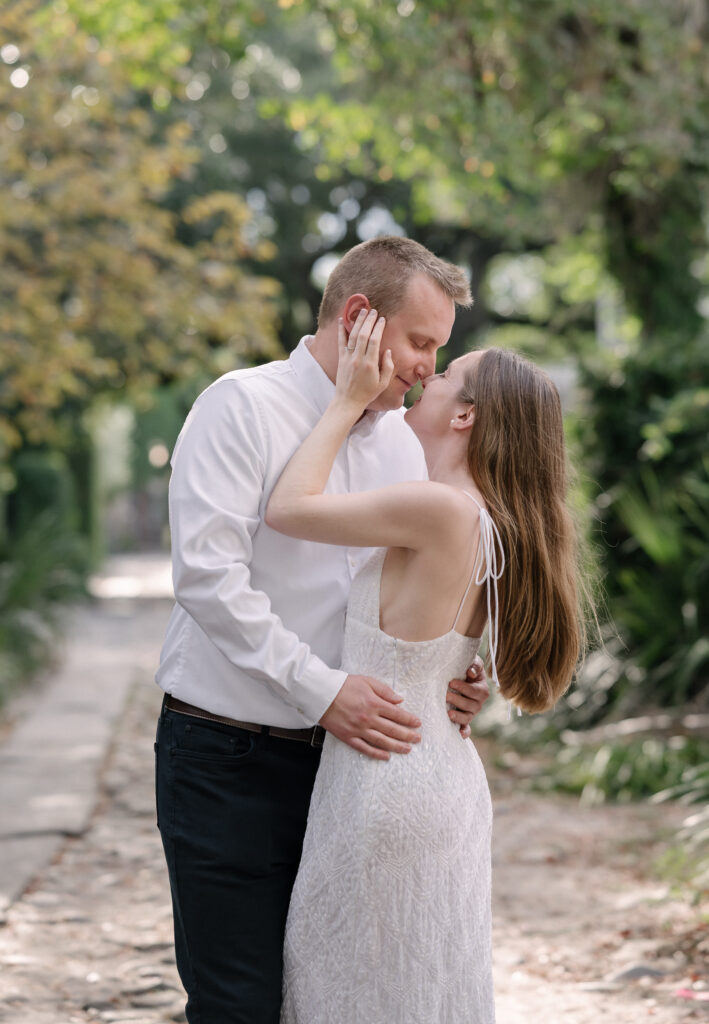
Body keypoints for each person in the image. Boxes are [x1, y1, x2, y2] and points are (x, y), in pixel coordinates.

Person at [154, 236, 492, 1024]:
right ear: (357, 320)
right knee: (238, 1003)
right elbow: (207, 578)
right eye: (419, 342)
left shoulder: (406, 450)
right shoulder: (241, 405)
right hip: (229, 757)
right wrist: (324, 690)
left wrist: (452, 671)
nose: (424, 365)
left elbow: (420, 589)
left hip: (355, 775)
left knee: (332, 1000)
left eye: (438, 351)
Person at [267, 317, 589, 1023]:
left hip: (386, 782)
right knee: (424, 988)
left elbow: (287, 509)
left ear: (465, 415)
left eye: (445, 376)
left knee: (349, 991)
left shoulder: (440, 508)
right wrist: (461, 673)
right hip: (436, 770)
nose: (427, 375)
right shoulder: (486, 518)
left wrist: (346, 401)